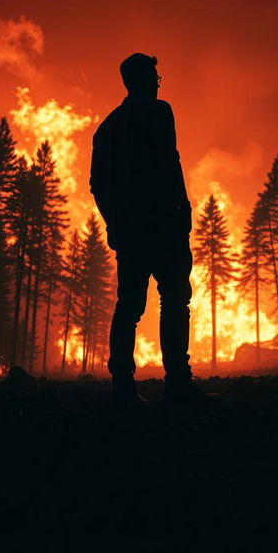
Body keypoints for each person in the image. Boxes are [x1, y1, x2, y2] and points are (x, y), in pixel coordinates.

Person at [90, 53, 218, 412]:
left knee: (130, 305)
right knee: (174, 300)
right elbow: (168, 163)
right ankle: (177, 385)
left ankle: (123, 390)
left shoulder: (107, 128)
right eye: (155, 75)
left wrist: (114, 224)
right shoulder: (160, 112)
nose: (159, 81)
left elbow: (97, 185)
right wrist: (183, 212)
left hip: (131, 230)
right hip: (163, 224)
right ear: (146, 79)